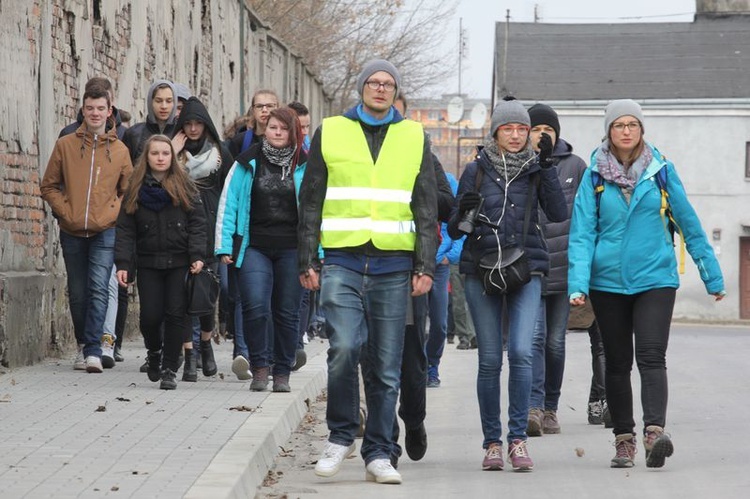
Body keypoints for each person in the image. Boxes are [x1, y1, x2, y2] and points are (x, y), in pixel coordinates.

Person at [299, 59, 437, 485]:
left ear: (396, 92)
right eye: (373, 83)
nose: (380, 89)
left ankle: (379, 452)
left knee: (386, 363)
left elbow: (425, 204)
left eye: (388, 83)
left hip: (394, 265)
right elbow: (311, 199)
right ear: (361, 89)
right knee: (343, 346)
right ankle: (341, 435)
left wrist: (425, 264)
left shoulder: (413, 135)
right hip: (342, 259)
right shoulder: (333, 130)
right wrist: (307, 257)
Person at [568, 99, 726, 469]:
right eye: (619, 124)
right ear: (608, 131)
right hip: (607, 283)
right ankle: (624, 439)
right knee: (618, 363)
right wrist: (578, 285)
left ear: (641, 130)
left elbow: (690, 225)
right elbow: (581, 235)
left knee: (652, 356)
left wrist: (712, 277)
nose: (626, 130)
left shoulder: (662, 172)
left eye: (632, 124)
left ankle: (655, 433)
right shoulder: (594, 176)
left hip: (655, 278)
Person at [447, 97, 566, 472]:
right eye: (508, 128)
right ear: (495, 132)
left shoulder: (536, 169)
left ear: (530, 134)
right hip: (480, 269)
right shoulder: (476, 168)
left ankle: (518, 440)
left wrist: (545, 167)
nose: (515, 135)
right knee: (489, 358)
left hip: (526, 269)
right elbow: (453, 227)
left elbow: (559, 213)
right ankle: (492, 443)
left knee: (521, 351)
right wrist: (463, 209)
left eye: (521, 129)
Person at [41, 85, 133, 373]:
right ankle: (83, 343)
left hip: (105, 230)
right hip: (71, 229)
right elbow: (48, 185)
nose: (95, 113)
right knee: (78, 292)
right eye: (90, 108)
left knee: (97, 288)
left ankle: (94, 349)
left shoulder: (120, 150)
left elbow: (128, 192)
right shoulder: (66, 144)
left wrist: (111, 212)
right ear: (83, 110)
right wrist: (65, 211)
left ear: (110, 111)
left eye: (100, 108)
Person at [216, 106, 307, 393]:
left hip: (292, 249)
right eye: (272, 128)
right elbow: (228, 204)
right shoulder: (247, 162)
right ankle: (260, 367)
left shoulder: (306, 164)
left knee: (287, 312)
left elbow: (317, 211)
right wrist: (224, 245)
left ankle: (282, 371)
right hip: (254, 246)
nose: (277, 133)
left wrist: (317, 254)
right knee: (255, 307)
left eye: (283, 129)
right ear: (264, 130)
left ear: (293, 133)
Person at [388, 92, 453, 468]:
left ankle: (413, 421)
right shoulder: (361, 158)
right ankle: (385, 440)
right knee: (376, 358)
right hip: (369, 268)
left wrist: (422, 188)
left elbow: (447, 203)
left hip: (411, 269)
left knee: (412, 356)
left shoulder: (424, 155)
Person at [115, 135, 207, 390]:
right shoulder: (135, 187)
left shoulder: (185, 185)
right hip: (148, 262)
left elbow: (198, 223)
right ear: (147, 157)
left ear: (172, 157)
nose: (160, 158)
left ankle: (169, 368)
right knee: (150, 317)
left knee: (176, 315)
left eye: (165, 154)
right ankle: (154, 351)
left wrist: (197, 255)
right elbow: (125, 229)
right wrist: (123, 263)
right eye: (155, 153)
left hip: (178, 261)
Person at [525, 103, 587, 437]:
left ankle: (551, 407)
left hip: (564, 267)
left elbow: (587, 217)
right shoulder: (520, 163)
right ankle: (533, 407)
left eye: (548, 129)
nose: (543, 134)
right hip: (531, 266)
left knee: (555, 343)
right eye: (536, 129)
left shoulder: (575, 166)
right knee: (532, 338)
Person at [173, 96, 233, 381]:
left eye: (198, 123)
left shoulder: (220, 153)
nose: (194, 129)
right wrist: (173, 152)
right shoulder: (173, 151)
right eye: (188, 123)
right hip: (180, 227)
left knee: (207, 291)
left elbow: (232, 190)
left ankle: (206, 343)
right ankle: (189, 355)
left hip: (212, 227)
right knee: (182, 293)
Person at [425, 171, 463, 388]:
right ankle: (418, 367)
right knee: (416, 324)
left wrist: (451, 255)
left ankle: (433, 365)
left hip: (439, 265)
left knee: (439, 323)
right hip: (413, 264)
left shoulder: (446, 180)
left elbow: (458, 218)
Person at [122, 79, 177, 165]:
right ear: (151, 102)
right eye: (158, 101)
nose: (164, 106)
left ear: (174, 103)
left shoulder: (181, 133)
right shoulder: (134, 134)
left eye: (169, 101)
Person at [224, 89, 279, 159]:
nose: (264, 110)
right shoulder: (240, 141)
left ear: (277, 108)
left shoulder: (284, 140)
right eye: (259, 106)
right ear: (253, 110)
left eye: (269, 106)